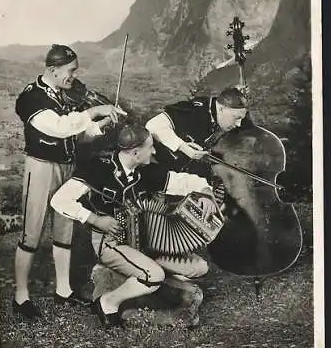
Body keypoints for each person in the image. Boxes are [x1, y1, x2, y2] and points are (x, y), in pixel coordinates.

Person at [51, 124, 220, 327]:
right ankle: (108, 302)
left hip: (146, 241)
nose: (155, 151)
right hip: (111, 242)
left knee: (199, 268)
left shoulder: (147, 170)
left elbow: (187, 181)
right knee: (153, 275)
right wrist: (95, 219)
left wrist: (205, 193)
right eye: (151, 147)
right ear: (135, 152)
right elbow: (59, 200)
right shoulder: (97, 169)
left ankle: (145, 283)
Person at [13, 44, 125, 320]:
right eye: (71, 70)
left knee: (64, 231)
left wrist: (99, 128)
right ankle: (21, 297)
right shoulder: (31, 97)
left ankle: (64, 291)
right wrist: (95, 111)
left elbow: (75, 136)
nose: (74, 76)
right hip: (40, 168)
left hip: (67, 166)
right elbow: (59, 127)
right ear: (53, 69)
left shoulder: (64, 95)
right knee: (31, 235)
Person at [145, 87, 251, 176]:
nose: (238, 124)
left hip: (186, 168)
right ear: (222, 109)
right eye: (236, 118)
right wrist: (183, 147)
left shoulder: (224, 114)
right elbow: (153, 125)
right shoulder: (193, 111)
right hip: (156, 165)